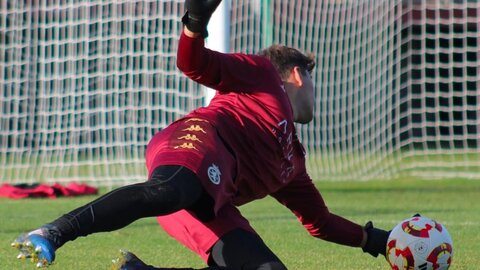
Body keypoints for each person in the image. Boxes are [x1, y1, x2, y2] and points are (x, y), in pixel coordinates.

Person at [12, 1, 390, 269]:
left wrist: (382, 242)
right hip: (195, 146)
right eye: (312, 79)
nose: (314, 91)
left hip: (204, 207)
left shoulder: (292, 162)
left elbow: (320, 222)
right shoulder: (262, 75)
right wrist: (195, 21)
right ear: (296, 75)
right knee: (170, 190)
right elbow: (193, 64)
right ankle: (53, 231)